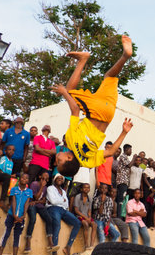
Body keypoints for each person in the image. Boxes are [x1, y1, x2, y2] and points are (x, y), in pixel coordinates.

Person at [51, 35, 135, 178]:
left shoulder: (89, 163)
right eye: (59, 160)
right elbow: (75, 109)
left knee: (109, 76)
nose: (57, 157)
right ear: (69, 159)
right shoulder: (70, 141)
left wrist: (124, 132)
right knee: (70, 90)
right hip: (96, 111)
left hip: (108, 113)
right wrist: (64, 93)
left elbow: (111, 151)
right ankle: (83, 59)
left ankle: (125, 56)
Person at [0, 173, 32, 255]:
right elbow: (13, 202)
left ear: (28, 181)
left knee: (17, 236)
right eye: (23, 177)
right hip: (12, 215)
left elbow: (27, 204)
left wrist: (23, 216)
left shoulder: (29, 192)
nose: (24, 179)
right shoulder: (14, 189)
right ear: (20, 179)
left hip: (21, 217)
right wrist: (15, 216)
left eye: (26, 178)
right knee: (6, 234)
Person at [47, 173, 81, 255]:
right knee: (57, 226)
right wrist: (63, 200)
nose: (60, 180)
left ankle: (68, 247)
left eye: (61, 179)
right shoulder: (50, 188)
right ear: (54, 179)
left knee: (77, 223)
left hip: (62, 210)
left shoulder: (64, 191)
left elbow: (66, 205)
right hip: (53, 209)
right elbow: (53, 202)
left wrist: (62, 201)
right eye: (58, 178)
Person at [24, 171, 57, 254]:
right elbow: (36, 197)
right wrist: (42, 187)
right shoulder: (34, 184)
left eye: (46, 179)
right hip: (31, 205)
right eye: (43, 178)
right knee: (33, 219)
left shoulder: (46, 188)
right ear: (40, 177)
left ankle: (50, 243)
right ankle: (28, 241)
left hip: (39, 206)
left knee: (49, 219)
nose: (44, 181)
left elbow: (44, 201)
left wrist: (36, 202)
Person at [73, 183, 97, 249]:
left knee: (94, 225)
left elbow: (89, 210)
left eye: (88, 187)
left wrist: (89, 217)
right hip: (79, 216)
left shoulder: (90, 198)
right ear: (81, 189)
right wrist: (86, 218)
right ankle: (86, 245)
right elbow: (76, 210)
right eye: (85, 187)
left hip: (86, 216)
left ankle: (91, 245)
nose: (86, 189)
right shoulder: (78, 197)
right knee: (85, 224)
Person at [116, 144, 134, 217]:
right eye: (130, 150)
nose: (131, 152)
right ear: (126, 150)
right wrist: (134, 158)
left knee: (123, 199)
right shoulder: (122, 156)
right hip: (122, 181)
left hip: (125, 182)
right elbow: (129, 165)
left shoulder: (126, 157)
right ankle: (118, 216)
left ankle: (120, 216)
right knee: (120, 199)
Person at [142, 160, 155, 226]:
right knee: (145, 206)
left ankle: (148, 224)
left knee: (150, 207)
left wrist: (154, 191)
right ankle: (143, 223)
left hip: (153, 192)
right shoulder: (147, 169)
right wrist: (150, 187)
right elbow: (145, 178)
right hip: (147, 190)